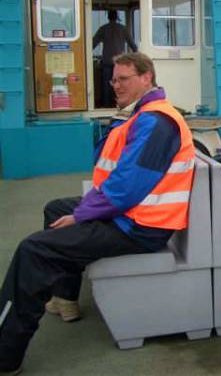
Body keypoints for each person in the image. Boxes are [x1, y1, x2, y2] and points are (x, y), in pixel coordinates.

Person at [0, 52, 194, 373]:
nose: (115, 85)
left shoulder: (157, 121)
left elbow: (127, 186)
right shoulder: (142, 114)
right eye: (113, 79)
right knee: (55, 209)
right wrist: (84, 209)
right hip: (130, 214)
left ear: (147, 78)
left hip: (141, 227)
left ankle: (6, 353)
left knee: (34, 250)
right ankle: (65, 298)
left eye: (123, 79)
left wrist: (82, 215)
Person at [93, 10, 138, 107]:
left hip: (106, 61)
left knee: (106, 85)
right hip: (120, 63)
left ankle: (106, 105)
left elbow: (92, 44)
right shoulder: (123, 29)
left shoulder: (103, 29)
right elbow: (133, 46)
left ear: (108, 17)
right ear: (116, 17)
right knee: (121, 84)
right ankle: (118, 104)